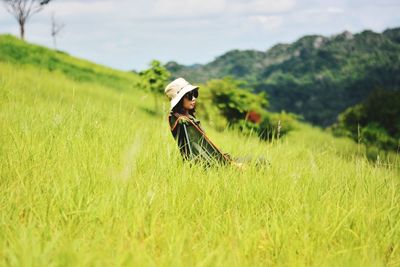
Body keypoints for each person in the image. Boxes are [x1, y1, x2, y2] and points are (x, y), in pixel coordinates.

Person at [165, 77, 244, 168]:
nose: (194, 98)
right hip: (215, 164)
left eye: (195, 94)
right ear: (180, 99)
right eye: (190, 95)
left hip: (214, 161)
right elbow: (203, 152)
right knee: (260, 161)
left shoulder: (176, 118)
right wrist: (232, 164)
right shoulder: (184, 122)